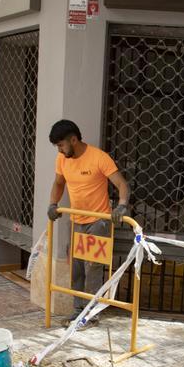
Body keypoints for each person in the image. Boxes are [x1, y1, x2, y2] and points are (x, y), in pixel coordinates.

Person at [46, 119, 130, 326]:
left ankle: (91, 314)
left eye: (61, 145)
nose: (59, 149)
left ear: (73, 140)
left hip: (98, 222)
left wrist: (121, 206)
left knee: (92, 268)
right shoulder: (62, 159)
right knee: (75, 268)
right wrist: (52, 204)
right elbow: (58, 183)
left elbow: (122, 184)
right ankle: (77, 311)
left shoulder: (99, 158)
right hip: (76, 221)